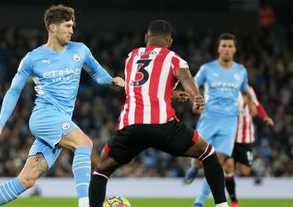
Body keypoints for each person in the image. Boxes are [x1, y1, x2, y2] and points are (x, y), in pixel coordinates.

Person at [0, 5, 124, 207]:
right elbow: (14, 91)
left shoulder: (80, 50)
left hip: (60, 121)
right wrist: (0, 125)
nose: (72, 30)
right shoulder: (32, 58)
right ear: (52, 27)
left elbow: (97, 74)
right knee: (84, 143)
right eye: (67, 26)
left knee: (26, 180)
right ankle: (85, 204)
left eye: (73, 26)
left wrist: (112, 80)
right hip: (44, 117)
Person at [89, 20, 229, 207]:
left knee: (101, 170)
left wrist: (168, 94)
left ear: (146, 38)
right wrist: (195, 96)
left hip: (131, 127)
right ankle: (222, 205)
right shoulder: (173, 58)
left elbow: (138, 88)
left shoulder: (132, 57)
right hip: (164, 127)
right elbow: (185, 78)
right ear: (169, 42)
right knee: (208, 154)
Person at [183, 33, 257, 207]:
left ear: (234, 49)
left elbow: (245, 91)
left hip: (230, 122)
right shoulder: (207, 68)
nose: (226, 49)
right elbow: (191, 84)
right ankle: (194, 168)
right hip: (209, 118)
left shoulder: (240, 71)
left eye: (230, 46)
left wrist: (250, 103)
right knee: (200, 160)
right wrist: (195, 101)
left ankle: (199, 201)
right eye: (223, 46)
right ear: (218, 48)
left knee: (218, 162)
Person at [223, 85, 274, 207]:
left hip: (245, 138)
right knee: (228, 168)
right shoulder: (224, 89)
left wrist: (265, 117)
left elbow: (256, 106)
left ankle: (232, 170)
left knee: (244, 171)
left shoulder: (248, 89)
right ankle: (234, 201)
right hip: (228, 137)